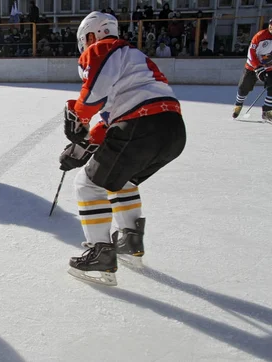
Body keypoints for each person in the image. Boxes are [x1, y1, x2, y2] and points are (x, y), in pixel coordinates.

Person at [59, 12, 186, 286]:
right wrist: (85, 147)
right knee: (121, 181)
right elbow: (109, 121)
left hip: (141, 125)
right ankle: (130, 243)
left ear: (90, 36)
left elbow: (94, 93)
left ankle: (100, 254)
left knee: (88, 185)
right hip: (172, 130)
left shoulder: (103, 48)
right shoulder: (133, 60)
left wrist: (78, 116)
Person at [231, 18, 272, 120]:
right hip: (252, 66)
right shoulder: (260, 36)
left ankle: (267, 110)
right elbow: (251, 52)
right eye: (271, 25)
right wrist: (257, 67)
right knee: (244, 87)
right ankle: (238, 105)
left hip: (268, 66)